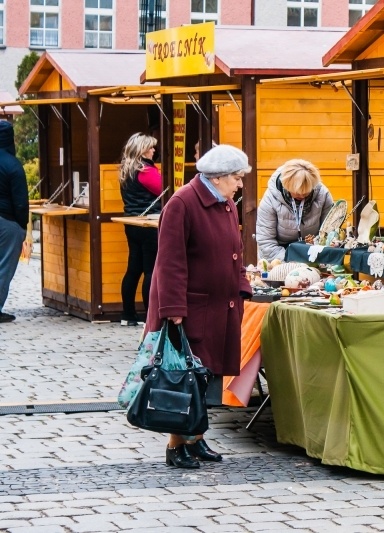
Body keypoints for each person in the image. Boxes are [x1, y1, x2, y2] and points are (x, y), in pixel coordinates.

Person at [144, 144, 252, 469]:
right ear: (217, 177)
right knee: (185, 379)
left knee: (207, 377)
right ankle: (176, 445)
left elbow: (236, 251)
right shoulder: (182, 204)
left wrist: (243, 285)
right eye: (236, 177)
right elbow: (170, 262)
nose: (240, 184)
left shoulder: (226, 204)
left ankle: (196, 438)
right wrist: (173, 309)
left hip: (221, 306)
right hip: (192, 309)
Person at [119, 133, 162, 327]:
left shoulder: (127, 169)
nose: (154, 150)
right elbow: (165, 189)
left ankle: (128, 314)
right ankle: (148, 316)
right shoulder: (146, 171)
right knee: (150, 270)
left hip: (132, 222)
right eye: (151, 147)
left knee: (133, 269)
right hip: (149, 223)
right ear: (142, 149)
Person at [255, 159, 333, 261]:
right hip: (279, 256)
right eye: (297, 192)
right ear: (286, 185)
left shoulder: (323, 195)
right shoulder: (270, 200)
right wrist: (292, 262)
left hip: (313, 254)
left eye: (306, 192)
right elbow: (266, 242)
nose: (302, 195)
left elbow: (329, 233)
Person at [0, 120, 28, 323]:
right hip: (7, 221)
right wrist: (22, 226)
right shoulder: (13, 165)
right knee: (4, 266)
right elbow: (20, 202)